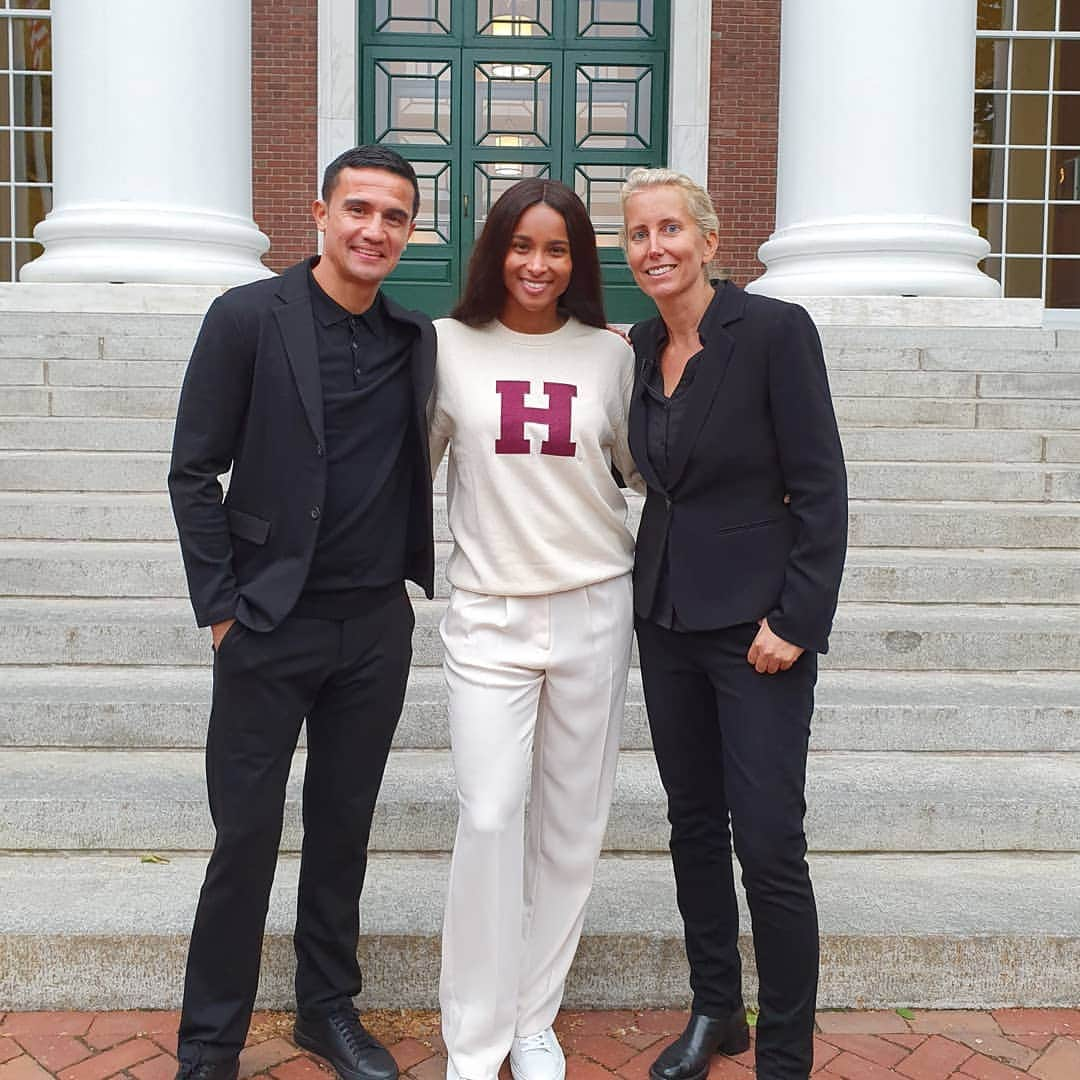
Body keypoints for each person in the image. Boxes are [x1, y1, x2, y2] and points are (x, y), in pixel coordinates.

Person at [168, 144, 436, 1080]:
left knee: (342, 830)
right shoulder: (247, 316)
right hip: (267, 624)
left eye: (395, 216)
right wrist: (221, 608)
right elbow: (192, 470)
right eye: (359, 209)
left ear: (409, 233)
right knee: (243, 837)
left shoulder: (414, 339)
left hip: (373, 627)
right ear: (318, 214)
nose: (375, 229)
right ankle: (210, 1043)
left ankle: (327, 1011)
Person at [618, 167, 848, 1080]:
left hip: (759, 632)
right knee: (692, 827)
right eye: (638, 235)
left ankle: (785, 1051)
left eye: (672, 229)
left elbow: (822, 487)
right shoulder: (636, 345)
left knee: (768, 842)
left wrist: (797, 618)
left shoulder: (775, 332)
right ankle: (718, 1010)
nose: (655, 248)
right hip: (666, 617)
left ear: (711, 241)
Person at [428, 178, 642, 1080]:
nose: (538, 265)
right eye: (523, 246)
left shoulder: (611, 355)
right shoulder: (442, 347)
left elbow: (645, 468)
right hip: (488, 611)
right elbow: (397, 466)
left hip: (596, 604)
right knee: (488, 814)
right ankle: (473, 1038)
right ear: (495, 251)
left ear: (578, 261)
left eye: (557, 249)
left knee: (569, 826)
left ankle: (533, 1017)